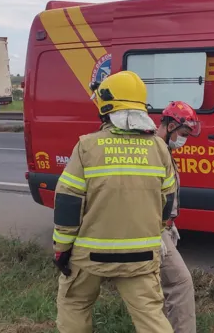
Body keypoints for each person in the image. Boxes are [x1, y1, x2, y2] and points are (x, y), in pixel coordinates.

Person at [52, 70, 177, 333]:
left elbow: (67, 203)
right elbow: (167, 202)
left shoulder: (87, 146)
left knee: (74, 303)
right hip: (141, 257)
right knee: (151, 317)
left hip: (90, 256)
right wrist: (157, 232)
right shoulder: (159, 148)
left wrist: (62, 249)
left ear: (106, 108)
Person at [155, 101, 201, 333]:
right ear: (171, 125)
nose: (184, 140)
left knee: (160, 289)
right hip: (154, 229)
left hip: (162, 227)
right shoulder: (155, 150)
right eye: (183, 134)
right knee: (181, 284)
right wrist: (160, 229)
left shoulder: (163, 149)